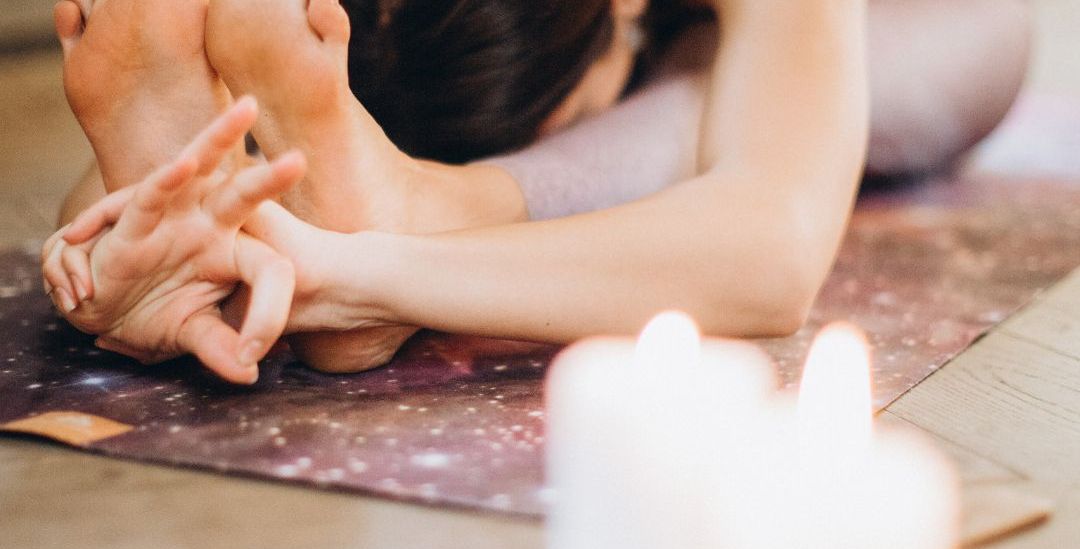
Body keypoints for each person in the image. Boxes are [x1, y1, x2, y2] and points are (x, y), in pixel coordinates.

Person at [43, 0, 1032, 382]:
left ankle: (438, 194)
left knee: (977, 37)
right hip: (392, 78)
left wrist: (375, 270)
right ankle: (390, 176)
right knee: (287, 87)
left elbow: (771, 247)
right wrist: (131, 244)